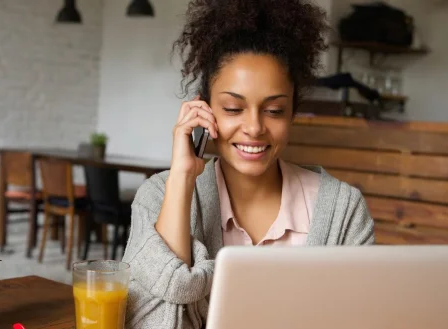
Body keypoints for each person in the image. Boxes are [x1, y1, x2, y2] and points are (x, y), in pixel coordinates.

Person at [121, 0, 375, 328]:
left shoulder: (345, 212)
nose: (254, 128)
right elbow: (148, 323)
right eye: (232, 108)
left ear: (292, 113)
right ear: (204, 109)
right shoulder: (159, 196)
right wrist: (182, 179)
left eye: (273, 111)